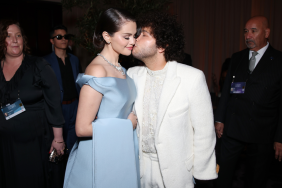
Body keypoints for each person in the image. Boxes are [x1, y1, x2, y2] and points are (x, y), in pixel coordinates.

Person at [127, 12, 217, 188]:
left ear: (162, 46)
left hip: (176, 172)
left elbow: (204, 133)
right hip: (139, 168)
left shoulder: (192, 77)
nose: (135, 39)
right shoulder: (132, 75)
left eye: (143, 34)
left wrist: (203, 176)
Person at [63, 8, 140, 188]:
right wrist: (127, 125)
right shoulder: (98, 70)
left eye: (135, 36)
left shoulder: (123, 70)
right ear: (107, 36)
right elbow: (82, 128)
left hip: (120, 150)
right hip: (100, 154)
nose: (133, 42)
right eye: (126, 36)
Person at [215, 16, 282, 188]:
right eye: (246, 31)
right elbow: (228, 91)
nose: (248, 35)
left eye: (253, 31)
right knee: (223, 173)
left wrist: (279, 137)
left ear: (266, 33)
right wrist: (220, 119)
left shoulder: (279, 60)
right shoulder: (237, 58)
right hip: (233, 125)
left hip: (262, 130)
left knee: (256, 178)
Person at [0, 20, 65, 188]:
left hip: (34, 142)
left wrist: (58, 138)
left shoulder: (38, 65)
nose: (15, 40)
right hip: (6, 142)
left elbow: (54, 102)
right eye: (8, 36)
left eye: (18, 35)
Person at [44, 25, 80, 153]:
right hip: (58, 108)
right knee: (58, 145)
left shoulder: (75, 60)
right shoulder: (45, 62)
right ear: (52, 41)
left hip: (75, 106)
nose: (63, 39)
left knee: (74, 144)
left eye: (66, 37)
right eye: (59, 37)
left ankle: (71, 170)